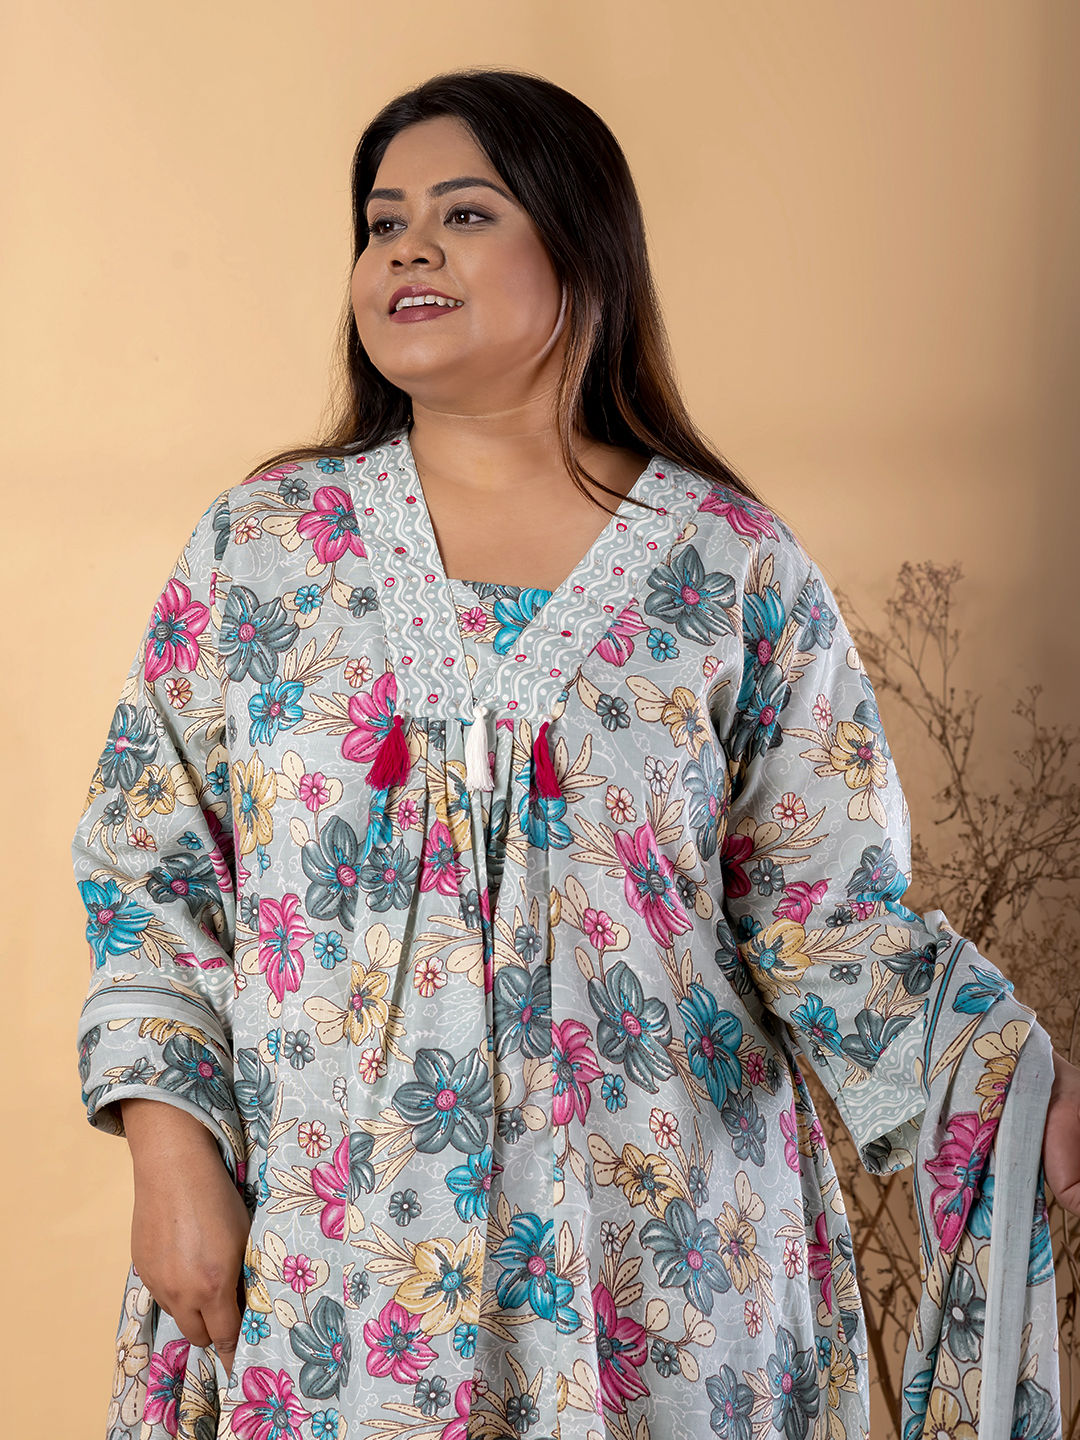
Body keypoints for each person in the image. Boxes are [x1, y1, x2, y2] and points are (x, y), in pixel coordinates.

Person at [72, 67, 1080, 1440]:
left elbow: (823, 908)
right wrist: (169, 1156)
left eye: (464, 213)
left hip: (664, 1278)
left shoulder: (728, 566)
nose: (408, 249)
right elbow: (151, 870)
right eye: (382, 223)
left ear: (582, 248)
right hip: (329, 1277)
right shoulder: (263, 549)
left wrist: (997, 1069)